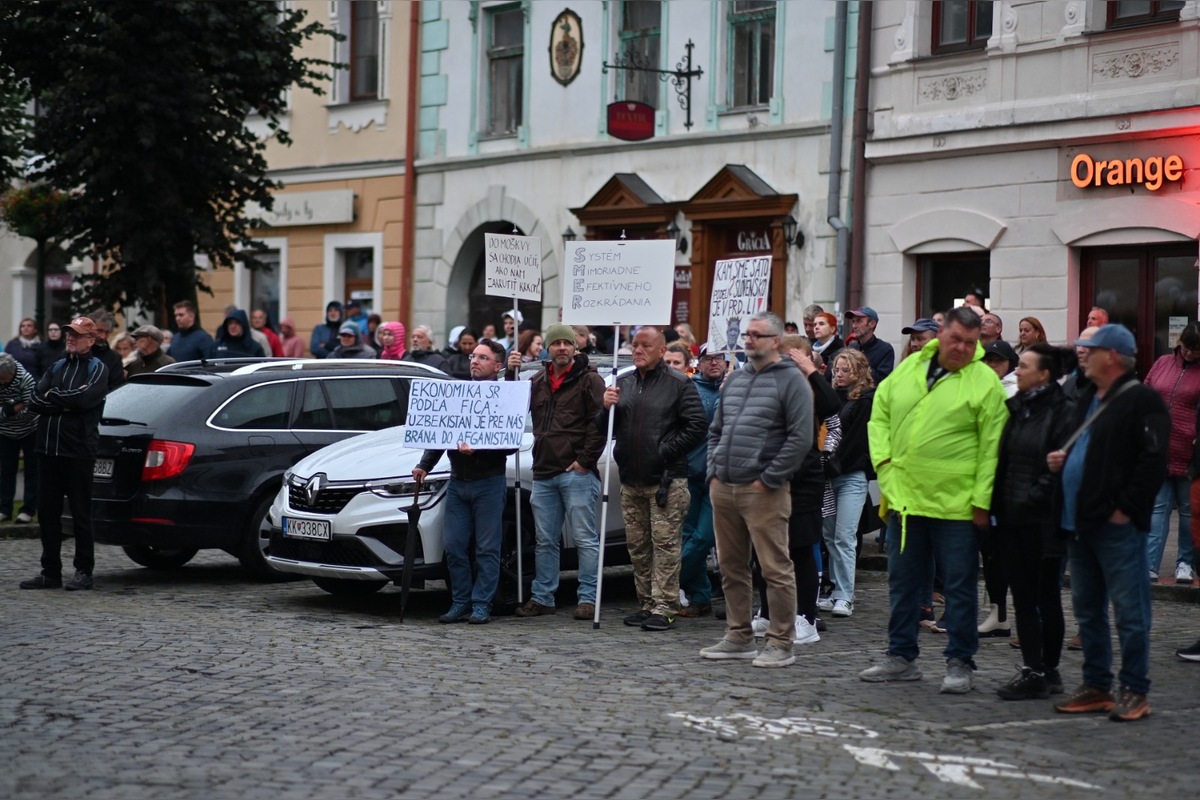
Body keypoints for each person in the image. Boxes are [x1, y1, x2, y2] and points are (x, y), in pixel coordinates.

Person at [859, 306, 1008, 693]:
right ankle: (901, 655)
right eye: (956, 339)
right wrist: (885, 464)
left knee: (959, 588)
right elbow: (880, 418)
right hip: (905, 498)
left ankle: (960, 661)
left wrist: (981, 502)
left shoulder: (984, 383)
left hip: (957, 506)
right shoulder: (908, 369)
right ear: (942, 333)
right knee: (903, 583)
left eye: (971, 343)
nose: (962, 348)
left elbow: (993, 449)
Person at [1049, 324, 1167, 722]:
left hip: (1115, 526)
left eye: (1090, 349)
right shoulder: (1088, 396)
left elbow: (1152, 462)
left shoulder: (1143, 400)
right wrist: (1064, 461)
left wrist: (1125, 509)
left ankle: (1135, 689)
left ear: (1112, 356)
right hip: (1079, 522)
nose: (1083, 355)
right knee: (1087, 610)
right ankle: (1096, 686)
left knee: (1130, 614)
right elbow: (1088, 447)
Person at [699, 312, 813, 668]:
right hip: (725, 485)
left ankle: (781, 641)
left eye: (756, 335)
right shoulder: (735, 379)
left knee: (774, 568)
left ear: (775, 341)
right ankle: (739, 635)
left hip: (763, 490)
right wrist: (713, 472)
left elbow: (801, 438)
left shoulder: (792, 381)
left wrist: (770, 478)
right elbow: (716, 429)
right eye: (746, 334)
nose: (747, 340)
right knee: (731, 567)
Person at [603, 326, 706, 631]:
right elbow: (605, 428)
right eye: (634, 345)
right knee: (637, 546)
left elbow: (696, 425)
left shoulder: (678, 384)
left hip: (666, 480)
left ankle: (665, 606)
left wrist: (664, 451)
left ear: (661, 350)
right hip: (631, 478)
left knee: (665, 546)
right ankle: (647, 603)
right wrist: (605, 407)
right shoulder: (623, 383)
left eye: (645, 346)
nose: (637, 351)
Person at [992, 343, 1075, 700]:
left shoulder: (1062, 412)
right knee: (1022, 597)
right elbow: (1003, 462)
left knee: (1045, 595)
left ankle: (1046, 669)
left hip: (1042, 520)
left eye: (1023, 366)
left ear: (1044, 374)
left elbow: (1057, 468)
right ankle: (1034, 668)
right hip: (1011, 518)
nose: (1017, 372)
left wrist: (1032, 499)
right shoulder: (1016, 409)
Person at [412, 339, 515, 625]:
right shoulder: (458, 394)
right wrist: (424, 465)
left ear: (497, 366)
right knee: (455, 545)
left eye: (482, 357)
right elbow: (439, 433)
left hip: (488, 482)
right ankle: (461, 600)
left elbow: (510, 443)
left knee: (486, 548)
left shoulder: (504, 397)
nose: (474, 361)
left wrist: (480, 448)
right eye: (473, 356)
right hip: (458, 482)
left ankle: (482, 603)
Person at [511, 324, 606, 621]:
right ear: (548, 349)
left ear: (575, 348)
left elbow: (599, 424)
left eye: (567, 343)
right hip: (543, 471)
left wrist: (584, 461)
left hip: (575, 472)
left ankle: (588, 598)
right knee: (545, 540)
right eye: (556, 343)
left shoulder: (590, 380)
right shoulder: (538, 380)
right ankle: (543, 596)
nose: (562, 348)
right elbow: (508, 406)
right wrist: (510, 373)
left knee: (585, 539)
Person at [19, 317, 109, 591]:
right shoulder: (57, 365)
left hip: (78, 451)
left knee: (81, 513)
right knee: (47, 513)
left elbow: (84, 400)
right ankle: (50, 572)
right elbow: (34, 400)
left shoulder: (97, 368)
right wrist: (63, 400)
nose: (70, 338)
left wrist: (53, 397)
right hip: (47, 449)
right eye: (69, 333)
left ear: (90, 340)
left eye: (77, 335)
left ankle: (84, 571)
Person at [820, 349, 875, 619]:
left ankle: (846, 594)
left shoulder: (865, 399)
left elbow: (855, 440)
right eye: (837, 369)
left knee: (844, 535)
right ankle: (835, 589)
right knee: (829, 534)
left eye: (845, 370)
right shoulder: (833, 398)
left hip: (851, 474)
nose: (839, 374)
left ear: (858, 371)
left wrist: (831, 461)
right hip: (830, 475)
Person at [1143, 322, 1200, 585]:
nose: (1190, 354)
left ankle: (1185, 564)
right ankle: (1150, 564)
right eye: (1188, 347)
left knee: (1188, 511)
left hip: (1189, 452)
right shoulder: (1163, 363)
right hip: (1158, 449)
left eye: (1196, 350)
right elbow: (1146, 392)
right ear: (1181, 343)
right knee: (1158, 509)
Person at [677, 344, 726, 618]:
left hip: (718, 477)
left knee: (704, 537)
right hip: (691, 472)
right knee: (688, 535)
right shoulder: (690, 389)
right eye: (709, 359)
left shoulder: (732, 389)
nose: (715, 363)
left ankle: (666, 580)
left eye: (719, 358)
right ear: (700, 362)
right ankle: (700, 597)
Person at [0, 354, 38, 524]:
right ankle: (4, 508)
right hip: (5, 432)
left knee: (32, 471)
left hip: (30, 430)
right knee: (6, 471)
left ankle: (28, 510)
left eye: (3, 379)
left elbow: (30, 411)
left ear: (11, 372)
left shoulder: (26, 379)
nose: (2, 383)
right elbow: (15, 409)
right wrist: (11, 408)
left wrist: (9, 410)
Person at [844, 307, 894, 384]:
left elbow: (883, 381)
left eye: (859, 321)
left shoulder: (885, 349)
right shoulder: (851, 348)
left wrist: (860, 366)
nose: (854, 326)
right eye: (853, 321)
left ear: (872, 324)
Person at [89, 312, 126, 394]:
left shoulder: (114, 358)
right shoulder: (75, 353)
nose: (103, 336)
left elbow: (117, 389)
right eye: (99, 331)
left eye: (107, 332)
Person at [811, 312, 843, 377]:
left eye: (821, 324)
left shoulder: (841, 352)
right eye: (815, 325)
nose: (816, 327)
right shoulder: (810, 350)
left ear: (832, 329)